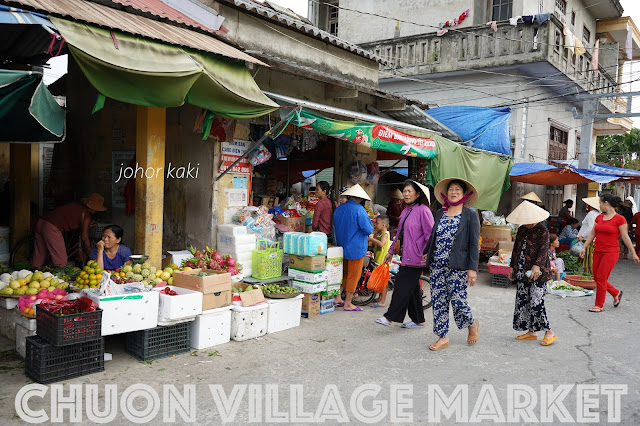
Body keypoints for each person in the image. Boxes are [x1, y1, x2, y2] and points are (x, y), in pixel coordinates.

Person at [422, 177, 480, 351]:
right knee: (439, 301)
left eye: (457, 190)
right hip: (437, 265)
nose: (453, 192)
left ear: (464, 194)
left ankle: (472, 324)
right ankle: (443, 337)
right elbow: (434, 236)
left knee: (458, 301)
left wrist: (472, 268)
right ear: (446, 194)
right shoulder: (440, 212)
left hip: (458, 266)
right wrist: (427, 252)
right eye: (450, 189)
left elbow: (473, 243)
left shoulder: (470, 215)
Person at [376, 180, 434, 329]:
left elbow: (430, 234)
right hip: (406, 255)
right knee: (412, 288)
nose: (406, 194)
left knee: (401, 284)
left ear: (418, 194)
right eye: (405, 191)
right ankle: (418, 320)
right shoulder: (405, 211)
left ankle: (389, 317)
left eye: (409, 191)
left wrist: (428, 252)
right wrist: (390, 252)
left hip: (418, 257)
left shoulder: (424, 210)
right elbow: (399, 234)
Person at [507, 201, 557, 346]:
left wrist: (537, 266)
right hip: (522, 271)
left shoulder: (543, 231)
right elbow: (516, 249)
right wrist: (512, 267)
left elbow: (543, 251)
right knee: (524, 302)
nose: (527, 223)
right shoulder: (522, 230)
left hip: (539, 273)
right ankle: (531, 331)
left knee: (536, 302)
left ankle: (549, 332)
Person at [579, 194, 639, 312]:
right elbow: (592, 233)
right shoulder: (599, 218)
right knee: (597, 277)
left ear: (606, 203)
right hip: (598, 250)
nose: (599, 206)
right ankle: (616, 293)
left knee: (601, 277)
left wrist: (633, 253)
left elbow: (625, 237)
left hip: (611, 252)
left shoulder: (620, 219)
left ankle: (599, 305)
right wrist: (584, 247)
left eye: (600, 203)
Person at [32, 193, 107, 268]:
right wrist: (91, 254)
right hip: (51, 228)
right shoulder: (86, 216)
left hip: (41, 222)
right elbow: (85, 238)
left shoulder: (75, 205)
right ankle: (59, 277)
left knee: (39, 254)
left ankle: (34, 271)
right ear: (95, 208)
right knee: (60, 260)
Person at [333, 184, 373, 311]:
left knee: (341, 274)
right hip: (356, 248)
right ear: (360, 198)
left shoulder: (339, 209)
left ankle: (337, 298)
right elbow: (368, 229)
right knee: (353, 276)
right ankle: (348, 303)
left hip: (341, 246)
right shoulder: (360, 210)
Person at [368, 215, 391, 307]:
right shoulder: (379, 234)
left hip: (383, 260)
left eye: (377, 223)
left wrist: (371, 239)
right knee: (380, 280)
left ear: (384, 224)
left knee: (384, 282)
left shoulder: (386, 234)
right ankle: (379, 297)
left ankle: (382, 301)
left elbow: (381, 244)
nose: (375, 225)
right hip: (378, 259)